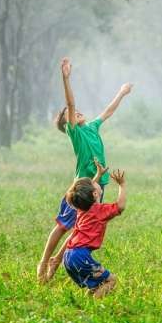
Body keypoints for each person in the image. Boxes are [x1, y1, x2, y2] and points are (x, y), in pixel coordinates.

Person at [36, 57, 132, 283]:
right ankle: (44, 262)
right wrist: (66, 78)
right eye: (71, 114)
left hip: (99, 185)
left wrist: (121, 93)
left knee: (84, 225)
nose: (76, 112)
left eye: (77, 111)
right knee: (62, 226)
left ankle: (58, 259)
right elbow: (70, 104)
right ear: (67, 123)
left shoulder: (91, 127)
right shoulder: (75, 133)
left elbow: (107, 111)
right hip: (81, 187)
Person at [63, 165, 127, 298]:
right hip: (80, 256)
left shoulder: (82, 208)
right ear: (95, 194)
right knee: (111, 280)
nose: (96, 183)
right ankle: (95, 308)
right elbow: (120, 206)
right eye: (94, 184)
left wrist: (98, 175)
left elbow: (87, 190)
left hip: (68, 256)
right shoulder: (100, 211)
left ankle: (86, 305)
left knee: (96, 285)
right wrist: (122, 185)